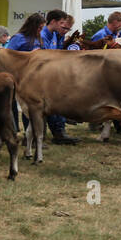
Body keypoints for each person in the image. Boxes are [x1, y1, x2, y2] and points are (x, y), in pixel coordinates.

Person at [39, 9, 76, 144]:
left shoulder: (55, 35)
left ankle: (59, 132)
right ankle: (56, 133)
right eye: (62, 25)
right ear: (54, 22)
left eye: (67, 28)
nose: (64, 29)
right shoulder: (43, 36)